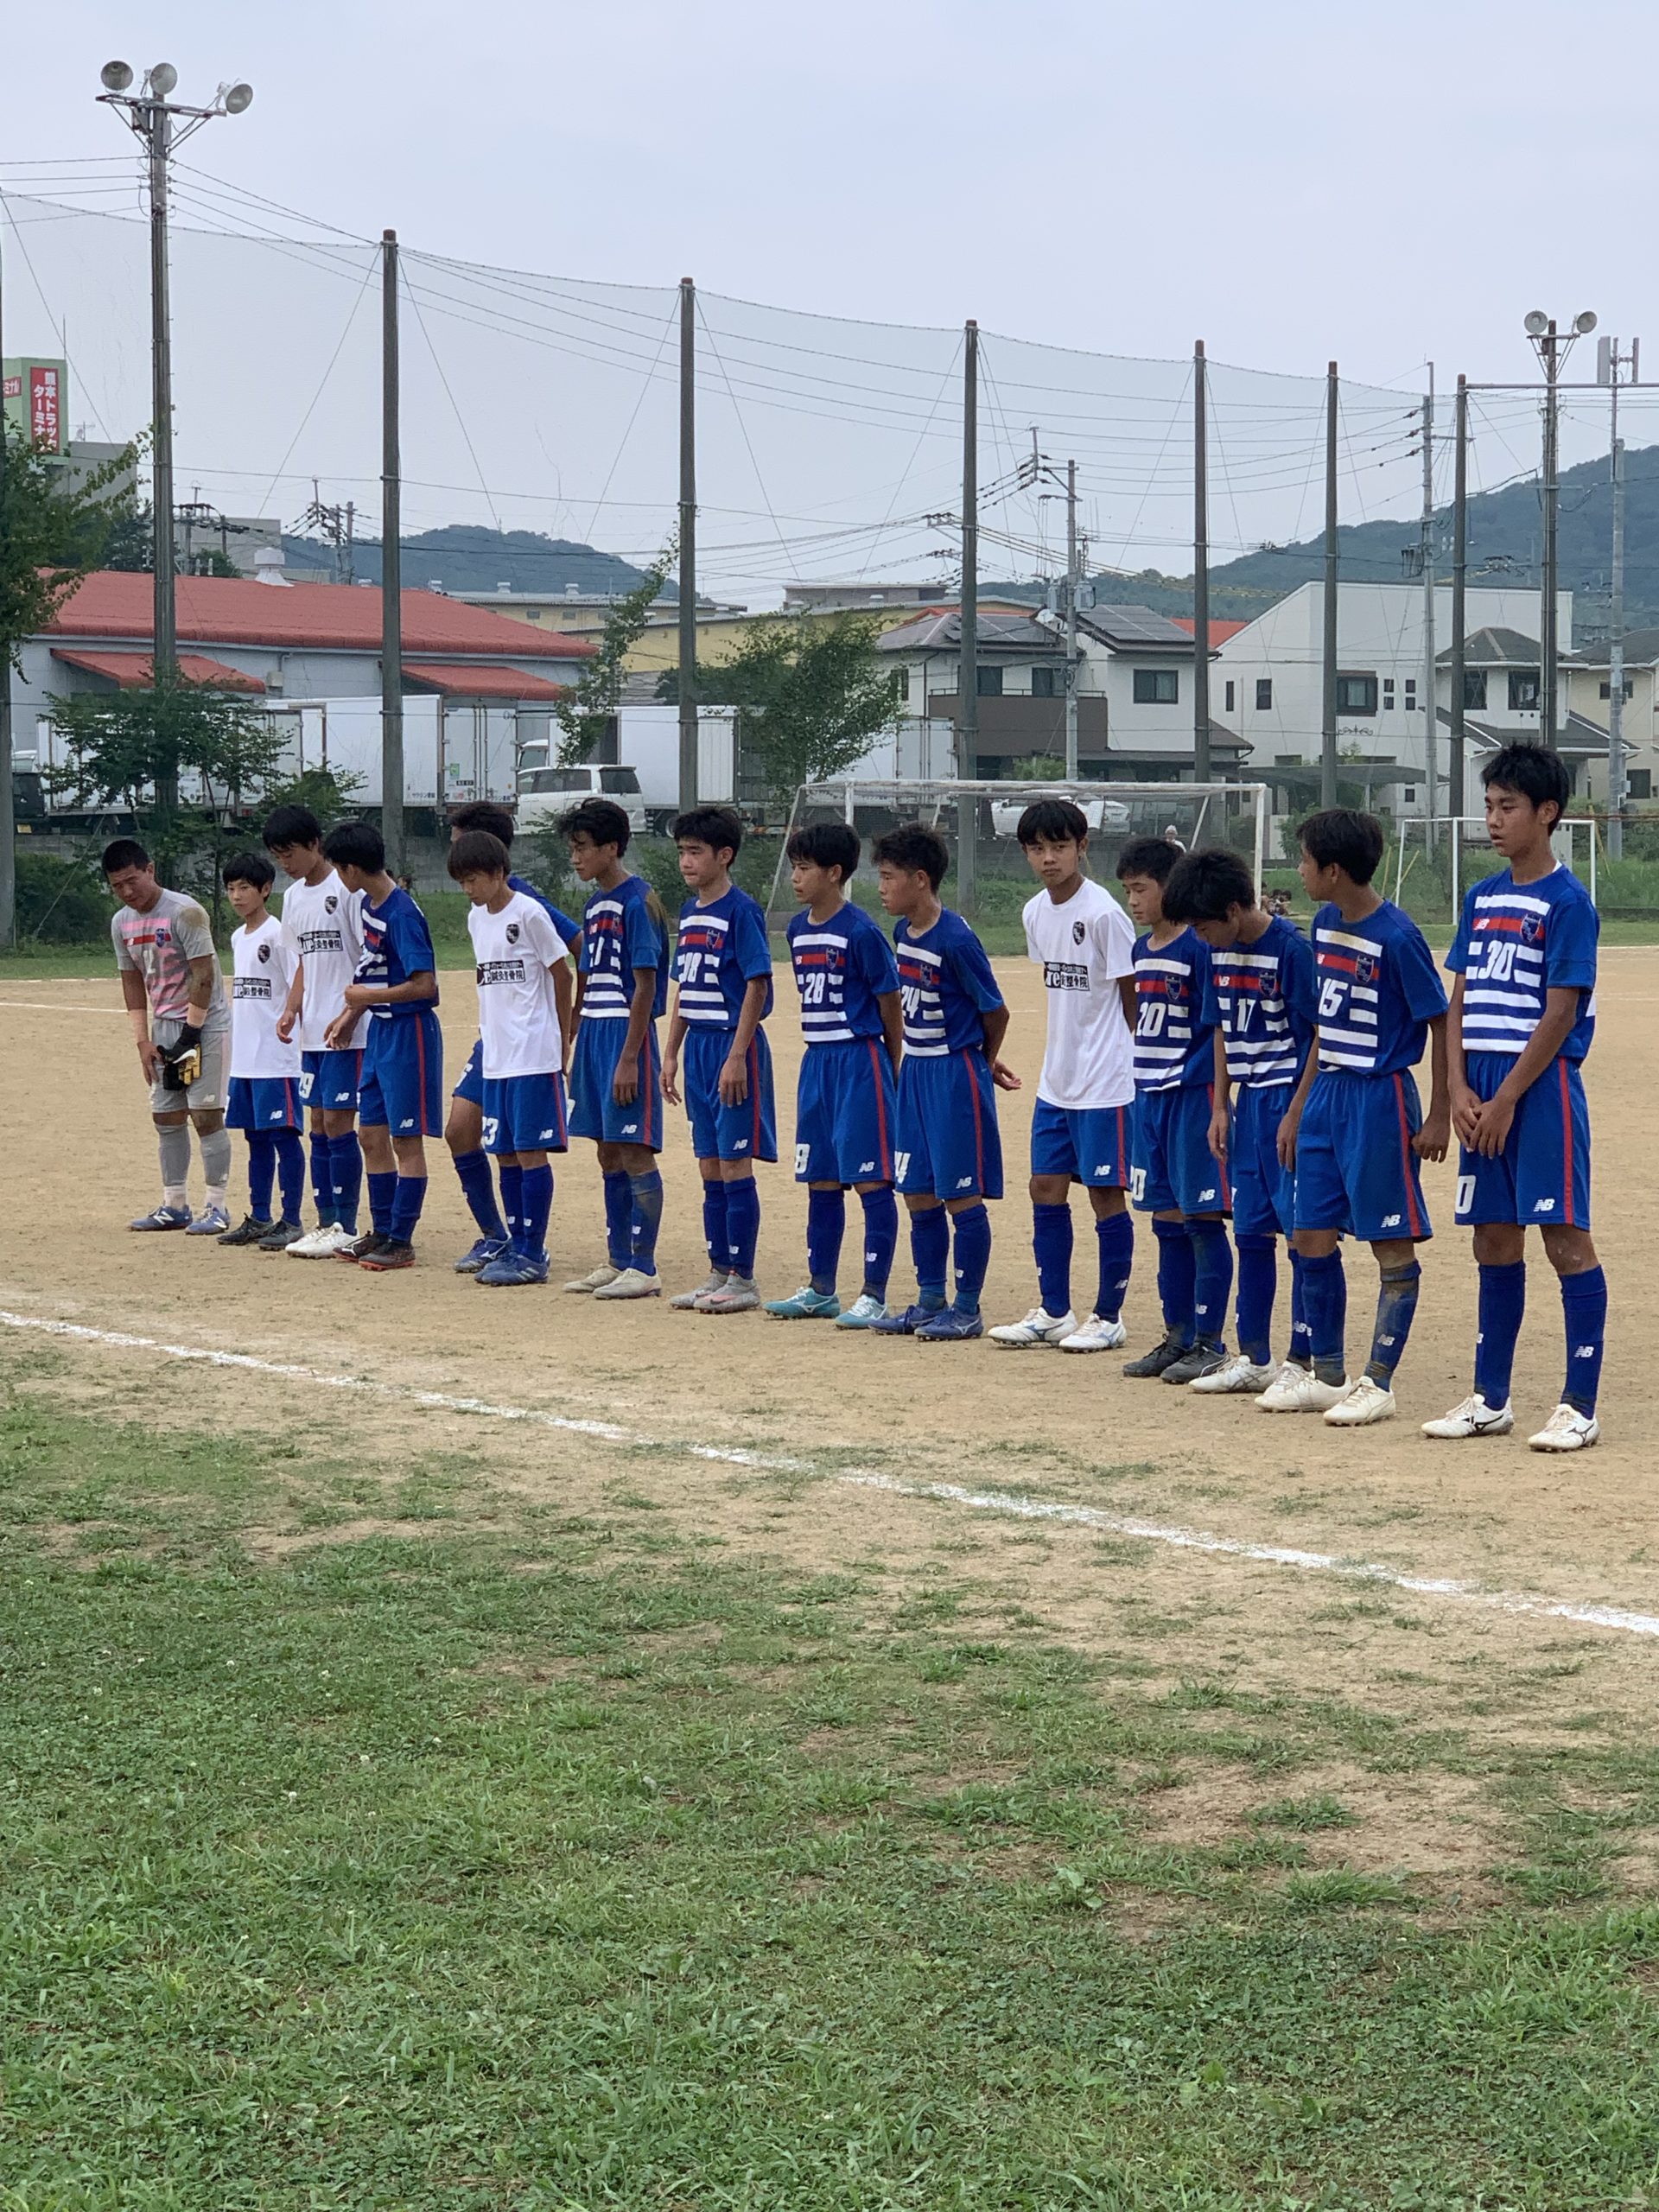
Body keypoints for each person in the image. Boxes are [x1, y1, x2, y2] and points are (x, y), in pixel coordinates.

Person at [1423, 743, 1606, 1452]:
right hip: (1483, 1088)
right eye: (1490, 806)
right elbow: (1459, 1000)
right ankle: (1489, 1398)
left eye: (1508, 807)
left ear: (1547, 814)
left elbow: (1560, 1012)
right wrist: (1461, 1087)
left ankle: (1578, 1405)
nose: (1493, 820)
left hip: (1541, 1089)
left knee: (1563, 1236)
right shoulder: (1482, 897)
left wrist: (1505, 1100)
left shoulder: (1567, 903)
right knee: (1493, 1238)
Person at [1269, 808, 1450, 1425]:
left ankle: (1379, 1381)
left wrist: (1441, 1116)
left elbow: (1439, 1019)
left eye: (1305, 861)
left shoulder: (1397, 937)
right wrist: (1298, 1106)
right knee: (1309, 1234)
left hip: (1379, 1099)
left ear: (1335, 870)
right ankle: (1327, 1372)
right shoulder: (1322, 923)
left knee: (1388, 1241)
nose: (1299, 871)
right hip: (1326, 1097)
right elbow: (1325, 1025)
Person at [1166, 844, 1317, 1396]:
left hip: (1287, 1099)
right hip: (1247, 1104)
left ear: (1233, 911)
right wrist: (1219, 1104)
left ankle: (1304, 1360)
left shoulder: (1292, 951)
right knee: (1250, 1232)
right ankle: (1255, 1356)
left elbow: (1317, 1038)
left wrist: (1298, 1112)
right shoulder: (1214, 952)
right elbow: (1221, 1028)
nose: (1199, 940)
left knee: (1304, 1234)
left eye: (1204, 928)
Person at [989, 799, 1136, 1352]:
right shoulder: (1034, 913)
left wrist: (1135, 1065)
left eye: (1059, 847)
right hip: (1057, 1080)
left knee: (1104, 1194)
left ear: (1082, 847)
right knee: (1044, 1188)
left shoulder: (1103, 914)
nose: (1048, 858)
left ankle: (1109, 1315)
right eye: (1037, 849)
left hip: (1106, 1082)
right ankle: (1054, 1311)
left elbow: (1131, 998)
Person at [867, 823, 1015, 1341]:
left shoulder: (955, 939)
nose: (880, 887)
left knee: (960, 1194)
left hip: (954, 1075)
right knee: (918, 1192)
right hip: (916, 1071)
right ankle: (930, 1299)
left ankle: (967, 1306)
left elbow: (995, 1011)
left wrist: (980, 1061)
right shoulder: (902, 933)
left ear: (921, 880)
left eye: (888, 877)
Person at [766, 820, 903, 1326]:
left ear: (834, 873)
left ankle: (873, 1293)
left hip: (858, 1059)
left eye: (804, 868)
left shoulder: (861, 931)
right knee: (819, 1179)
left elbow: (890, 1002)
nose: (795, 877)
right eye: (794, 866)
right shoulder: (799, 929)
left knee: (871, 1180)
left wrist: (888, 1062)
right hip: (816, 1062)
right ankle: (821, 1288)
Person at [442, 801, 579, 1274]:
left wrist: (563, 1036)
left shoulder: (530, 911)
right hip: (497, 1052)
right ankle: (510, 1242)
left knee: (528, 1149)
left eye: (473, 879)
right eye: (461, 882)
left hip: (532, 1049)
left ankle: (532, 1251)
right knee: (501, 1149)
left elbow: (563, 971)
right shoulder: (477, 918)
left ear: (498, 868)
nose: (467, 889)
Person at [1116, 836, 1231, 1383]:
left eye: (1141, 889)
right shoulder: (1142, 950)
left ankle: (1211, 1340)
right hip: (1149, 1099)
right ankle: (1177, 1336)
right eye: (1128, 891)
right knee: (1164, 1220)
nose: (1134, 901)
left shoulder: (1198, 947)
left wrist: (1214, 1101)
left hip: (1190, 1098)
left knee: (1201, 1220)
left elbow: (1216, 1027)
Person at [659, 804, 776, 1314]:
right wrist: (670, 1053)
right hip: (699, 1048)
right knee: (708, 1165)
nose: (686, 861)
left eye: (696, 852)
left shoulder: (741, 910)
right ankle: (718, 1271)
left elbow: (757, 983)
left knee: (733, 1164)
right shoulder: (689, 912)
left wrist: (737, 1056)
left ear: (724, 856)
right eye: (682, 851)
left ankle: (744, 1278)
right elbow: (685, 988)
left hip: (732, 1047)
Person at [319, 821, 442, 1271]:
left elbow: (426, 986)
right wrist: (352, 1015)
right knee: (370, 1133)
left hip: (409, 1034)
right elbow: (373, 971)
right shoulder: (369, 905)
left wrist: (367, 999)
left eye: (338, 868)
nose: (338, 877)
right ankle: (384, 1229)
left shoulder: (401, 913)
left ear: (351, 868)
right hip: (380, 1034)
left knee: (405, 1138)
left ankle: (402, 1239)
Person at [561, 797, 671, 1300]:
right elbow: (586, 975)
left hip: (627, 1036)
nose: (576, 858)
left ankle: (644, 1266)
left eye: (583, 848)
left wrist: (630, 1057)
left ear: (611, 847)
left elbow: (645, 985)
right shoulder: (593, 903)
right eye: (572, 849)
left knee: (634, 1148)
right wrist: (574, 1029)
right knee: (606, 1150)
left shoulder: (638, 901)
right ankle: (618, 1259)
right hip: (595, 1036)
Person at [104, 837, 235, 1236]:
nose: (127, 891)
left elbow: (204, 975)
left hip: (203, 1026)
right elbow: (132, 982)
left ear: (150, 870)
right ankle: (175, 1203)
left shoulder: (185, 913)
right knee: (165, 1115)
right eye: (117, 886)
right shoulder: (121, 923)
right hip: (163, 1028)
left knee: (205, 1115)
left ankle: (217, 1207)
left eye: (132, 880)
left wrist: (190, 1034)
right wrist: (141, 1040)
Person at [264, 803, 366, 1258]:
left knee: (340, 1124)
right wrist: (291, 1008)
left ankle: (345, 1221)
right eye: (278, 856)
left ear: (314, 845)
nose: (286, 864)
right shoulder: (291, 898)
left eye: (291, 853)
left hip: (347, 1030)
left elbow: (367, 958)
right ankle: (325, 1220)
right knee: (318, 1126)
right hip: (312, 1034)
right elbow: (303, 960)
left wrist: (352, 1014)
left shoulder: (345, 889)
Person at [217, 851, 307, 1249]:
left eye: (245, 888)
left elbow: (300, 974)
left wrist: (289, 1012)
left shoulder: (278, 932)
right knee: (254, 1139)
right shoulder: (239, 937)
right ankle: (259, 1215)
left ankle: (292, 1219)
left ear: (265, 890)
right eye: (231, 889)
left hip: (276, 1057)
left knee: (283, 1137)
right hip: (246, 1060)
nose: (237, 896)